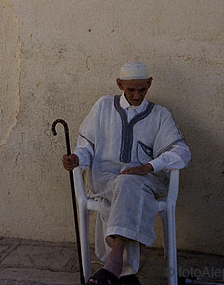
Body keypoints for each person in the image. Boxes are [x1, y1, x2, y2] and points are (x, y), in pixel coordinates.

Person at [61, 62, 191, 285]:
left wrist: (149, 167)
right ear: (119, 84)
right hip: (106, 181)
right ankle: (126, 275)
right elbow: (86, 146)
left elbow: (182, 152)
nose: (137, 95)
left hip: (145, 182)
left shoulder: (160, 115)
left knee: (129, 184)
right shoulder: (103, 106)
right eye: (131, 90)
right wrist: (77, 158)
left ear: (150, 83)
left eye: (142, 89)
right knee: (125, 186)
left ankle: (113, 266)